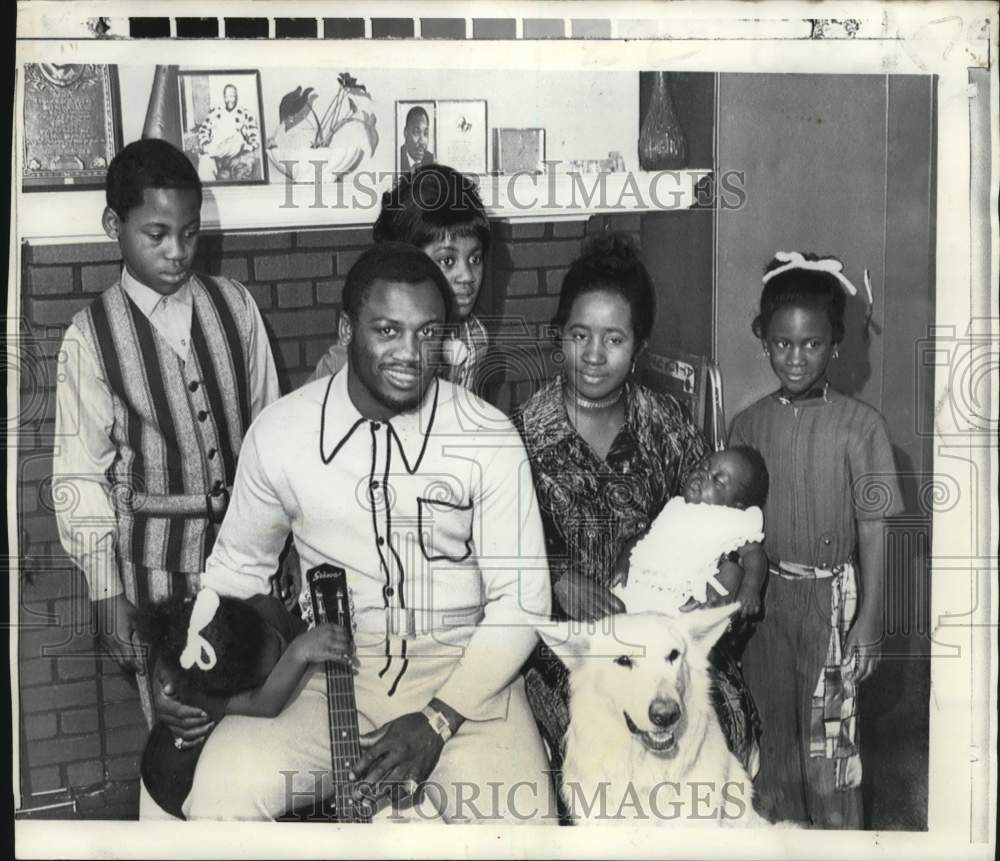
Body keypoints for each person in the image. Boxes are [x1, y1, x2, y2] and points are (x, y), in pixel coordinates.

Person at [158, 242, 556, 822]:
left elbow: (522, 604)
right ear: (346, 329)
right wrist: (186, 679)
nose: (410, 353)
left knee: (526, 829)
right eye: (388, 330)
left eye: (427, 334)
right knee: (221, 792)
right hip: (331, 677)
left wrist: (439, 719)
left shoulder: (486, 435)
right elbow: (235, 574)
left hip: (467, 679)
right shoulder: (282, 433)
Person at [513, 232, 760, 786]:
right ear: (559, 337)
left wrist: (721, 585)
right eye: (579, 335)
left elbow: (724, 528)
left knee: (725, 727)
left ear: (639, 347)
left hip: (664, 639)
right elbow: (495, 553)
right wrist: (556, 577)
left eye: (614, 339)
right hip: (571, 652)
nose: (594, 355)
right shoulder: (521, 435)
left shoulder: (665, 425)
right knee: (588, 748)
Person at [52, 138, 280, 723]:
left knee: (256, 711)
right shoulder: (90, 337)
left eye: (190, 232)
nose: (177, 252)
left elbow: (272, 436)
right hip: (153, 578)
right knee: (180, 724)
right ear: (114, 224)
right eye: (157, 235)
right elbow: (79, 475)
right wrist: (107, 595)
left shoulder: (237, 306)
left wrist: (286, 546)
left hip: (245, 562)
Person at [728, 250, 903, 827]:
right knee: (772, 750)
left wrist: (869, 620)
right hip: (767, 610)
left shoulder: (862, 426)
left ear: (835, 345)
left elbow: (876, 530)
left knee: (830, 754)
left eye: (811, 344)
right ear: (764, 340)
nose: (796, 358)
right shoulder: (747, 426)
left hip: (832, 608)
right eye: (782, 343)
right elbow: (734, 529)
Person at [136, 588, 352, 819]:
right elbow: (265, 704)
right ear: (236, 691)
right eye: (274, 671)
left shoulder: (264, 609)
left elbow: (302, 635)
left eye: (280, 646)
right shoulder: (202, 691)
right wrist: (298, 652)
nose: (283, 655)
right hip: (169, 780)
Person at [310, 164, 491, 393]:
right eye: (447, 261)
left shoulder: (474, 338)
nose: (467, 276)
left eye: (475, 259)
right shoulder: (363, 345)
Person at [615, 446, 769, 616]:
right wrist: (623, 562)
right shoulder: (676, 506)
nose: (703, 475)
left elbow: (754, 554)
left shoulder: (730, 520)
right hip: (635, 589)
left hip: (679, 601)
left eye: (718, 481)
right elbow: (643, 538)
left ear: (736, 506)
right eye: (704, 467)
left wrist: (750, 588)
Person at [196, 83, 261, 181]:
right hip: (216, 153)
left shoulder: (246, 114)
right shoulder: (214, 112)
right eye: (226, 96)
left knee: (238, 140)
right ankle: (212, 152)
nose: (229, 99)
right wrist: (205, 144)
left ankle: (212, 152)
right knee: (204, 165)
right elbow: (203, 131)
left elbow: (255, 138)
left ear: (236, 97)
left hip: (236, 154)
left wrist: (246, 147)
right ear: (223, 97)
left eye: (232, 96)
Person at [399, 105, 434, 171]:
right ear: (405, 132)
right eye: (416, 132)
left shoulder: (432, 161)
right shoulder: (396, 158)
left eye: (426, 133)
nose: (422, 141)